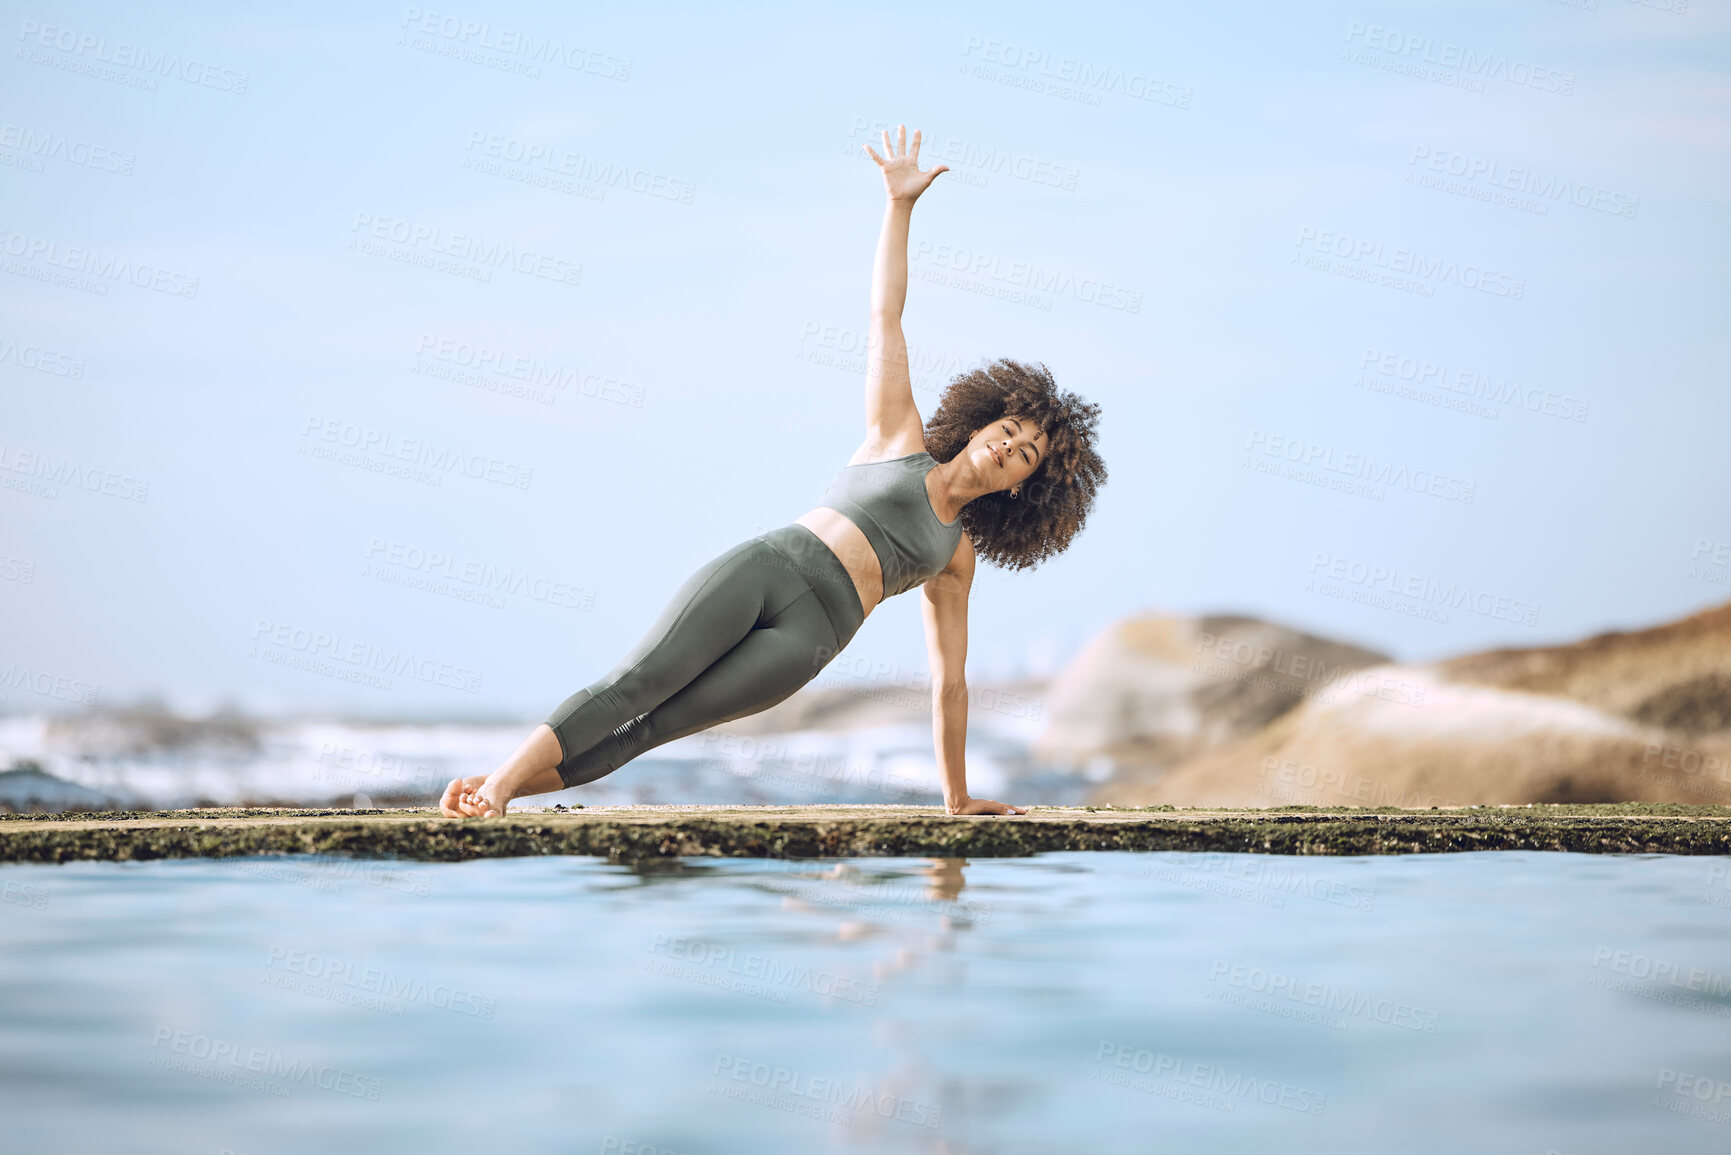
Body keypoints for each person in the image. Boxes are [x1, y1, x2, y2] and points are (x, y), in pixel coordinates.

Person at [439, 124, 1106, 819]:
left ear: (1026, 485)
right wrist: (899, 206)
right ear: (980, 423)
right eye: (1006, 430)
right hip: (769, 569)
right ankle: (496, 788)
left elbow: (950, 683)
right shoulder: (897, 435)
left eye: (1024, 452)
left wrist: (957, 796)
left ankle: (491, 791)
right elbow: (885, 315)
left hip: (810, 639)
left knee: (651, 729)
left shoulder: (956, 556)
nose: (1007, 447)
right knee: (637, 682)